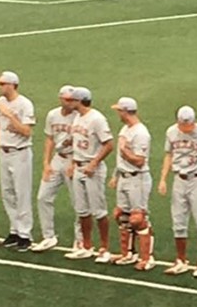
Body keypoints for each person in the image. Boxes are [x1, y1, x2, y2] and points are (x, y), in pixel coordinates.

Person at [160, 106, 197, 276]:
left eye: (189, 125)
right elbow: (168, 155)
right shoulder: (171, 132)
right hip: (179, 179)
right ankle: (181, 260)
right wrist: (163, 178)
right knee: (178, 222)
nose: (186, 129)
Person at [64, 87, 116, 263]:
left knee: (99, 211)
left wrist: (94, 163)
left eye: (72, 100)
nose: (68, 103)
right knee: (82, 211)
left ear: (80, 101)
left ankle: (104, 248)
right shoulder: (78, 117)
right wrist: (72, 163)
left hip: (92, 169)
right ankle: (86, 246)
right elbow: (77, 143)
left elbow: (109, 144)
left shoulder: (97, 119)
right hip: (79, 167)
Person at [31, 86, 84, 253]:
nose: (70, 103)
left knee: (78, 202)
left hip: (74, 160)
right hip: (58, 159)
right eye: (67, 99)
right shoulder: (53, 115)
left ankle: (80, 240)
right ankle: (48, 236)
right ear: (60, 99)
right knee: (43, 196)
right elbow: (49, 139)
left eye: (72, 99)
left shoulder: (80, 117)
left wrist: (75, 163)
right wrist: (46, 163)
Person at [109, 97, 154, 270]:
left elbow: (140, 161)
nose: (118, 114)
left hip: (137, 178)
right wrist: (116, 175)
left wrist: (125, 150)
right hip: (124, 177)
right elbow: (121, 159)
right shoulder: (125, 129)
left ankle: (147, 258)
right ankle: (127, 254)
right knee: (122, 216)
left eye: (119, 111)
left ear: (125, 111)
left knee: (138, 219)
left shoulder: (141, 133)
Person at [0, 71, 35, 251]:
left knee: (21, 193)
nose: (0, 87)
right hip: (4, 152)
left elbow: (27, 131)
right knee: (8, 193)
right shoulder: (0, 102)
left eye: (3, 84)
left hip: (20, 153)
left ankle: (25, 235)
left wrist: (10, 116)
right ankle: (14, 230)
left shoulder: (25, 104)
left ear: (12, 85)